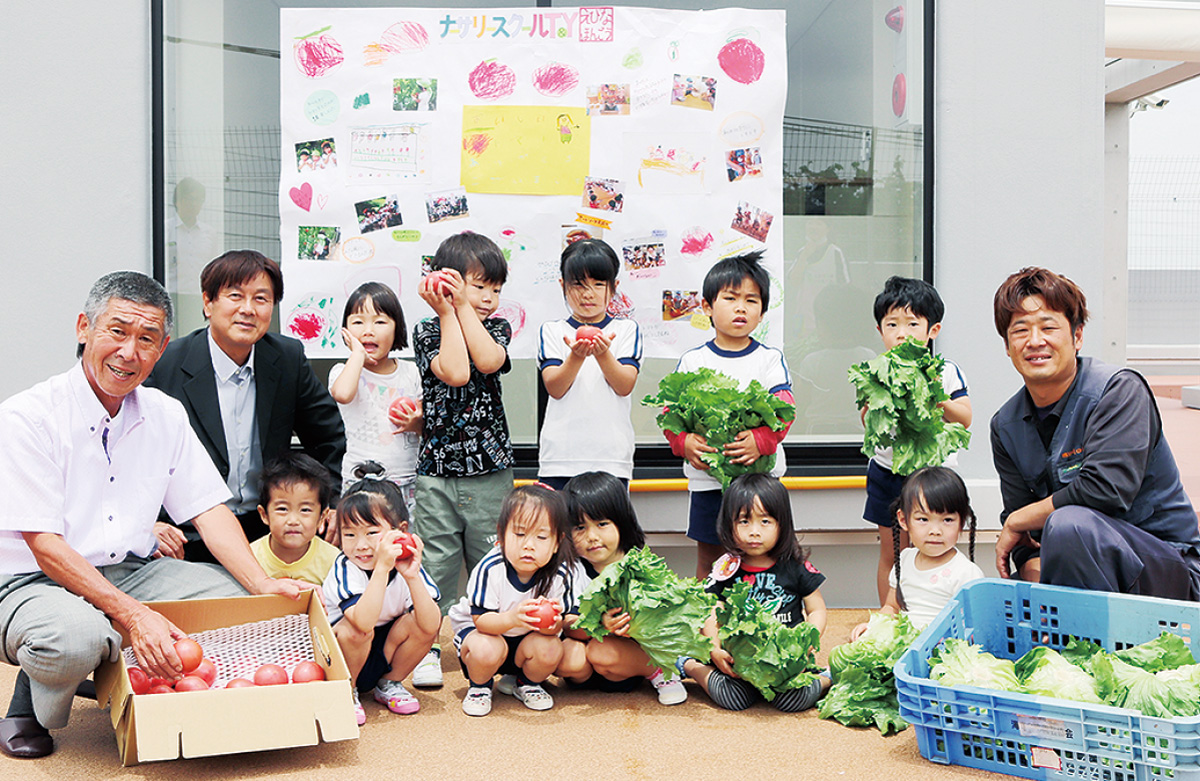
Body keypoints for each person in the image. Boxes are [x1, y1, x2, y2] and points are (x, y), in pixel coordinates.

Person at [0, 272, 306, 759]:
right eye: (117, 331)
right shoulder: (28, 416)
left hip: (132, 570)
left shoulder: (165, 413)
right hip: (34, 580)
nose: (129, 352)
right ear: (84, 328)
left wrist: (261, 582)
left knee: (235, 604)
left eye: (146, 339)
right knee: (74, 640)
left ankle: (113, 667)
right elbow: (45, 546)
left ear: (162, 349)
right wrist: (135, 615)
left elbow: (208, 509)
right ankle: (32, 703)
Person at [990, 267, 1200, 598]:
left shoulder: (1118, 391)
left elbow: (1104, 490)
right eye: (1020, 330)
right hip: (1079, 568)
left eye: (1048, 327)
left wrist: (1019, 519)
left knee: (1069, 526)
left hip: (1167, 570)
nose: (1035, 341)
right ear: (1007, 345)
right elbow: (1023, 533)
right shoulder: (1005, 426)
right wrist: (1032, 570)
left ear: (1077, 336)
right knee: (1005, 595)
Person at [146, 249, 346, 564]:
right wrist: (149, 521)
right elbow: (133, 451)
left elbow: (328, 437)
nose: (248, 309)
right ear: (208, 302)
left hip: (269, 531)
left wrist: (329, 503)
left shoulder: (287, 359)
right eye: (235, 296)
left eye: (261, 299)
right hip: (188, 533)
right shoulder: (166, 364)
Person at [411, 232, 514, 683]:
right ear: (448, 282)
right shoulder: (427, 329)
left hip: (490, 472)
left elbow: (486, 361)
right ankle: (427, 648)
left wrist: (463, 308)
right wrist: (447, 312)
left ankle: (498, 649)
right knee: (435, 564)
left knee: (494, 563)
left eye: (496, 288)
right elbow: (454, 371)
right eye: (479, 286)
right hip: (437, 471)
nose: (489, 298)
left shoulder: (497, 327)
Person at [667, 251, 794, 578]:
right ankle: (708, 611)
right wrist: (684, 443)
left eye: (751, 301)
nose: (741, 307)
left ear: (762, 313)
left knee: (763, 558)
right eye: (731, 298)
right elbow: (670, 415)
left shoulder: (769, 359)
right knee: (710, 560)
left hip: (760, 483)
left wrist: (761, 440)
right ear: (707, 306)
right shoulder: (693, 361)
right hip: (708, 484)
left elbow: (785, 410)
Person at [676, 474, 830, 711]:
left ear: (782, 524)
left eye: (765, 521)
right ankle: (690, 665)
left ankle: (828, 677)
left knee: (793, 701)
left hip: (786, 663)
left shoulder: (795, 565)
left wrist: (807, 641)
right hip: (738, 663)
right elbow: (711, 609)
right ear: (728, 524)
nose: (754, 531)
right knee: (733, 699)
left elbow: (816, 609)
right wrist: (715, 649)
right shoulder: (726, 567)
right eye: (744, 521)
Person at [862, 277, 972, 606]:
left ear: (932, 330)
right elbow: (868, 422)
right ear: (880, 330)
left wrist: (937, 398)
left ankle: (936, 613)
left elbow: (965, 418)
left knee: (937, 548)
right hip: (888, 473)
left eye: (912, 324)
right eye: (892, 324)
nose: (902, 333)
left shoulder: (946, 371)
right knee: (893, 552)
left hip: (935, 477)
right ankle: (890, 616)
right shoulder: (875, 371)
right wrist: (881, 404)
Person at [555, 471, 688, 705]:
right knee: (565, 655)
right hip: (586, 669)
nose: (592, 536)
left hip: (624, 661)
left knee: (601, 651)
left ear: (621, 522)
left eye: (602, 524)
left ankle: (661, 673)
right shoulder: (571, 571)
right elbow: (569, 625)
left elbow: (666, 622)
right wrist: (599, 624)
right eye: (580, 527)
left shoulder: (639, 566)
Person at [448, 485, 577, 716]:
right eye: (519, 534)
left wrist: (552, 622)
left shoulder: (560, 575)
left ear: (557, 542)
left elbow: (555, 630)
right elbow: (481, 621)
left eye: (541, 537)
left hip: (525, 642)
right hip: (487, 634)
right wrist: (513, 618)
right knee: (485, 648)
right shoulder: (491, 568)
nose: (529, 545)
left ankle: (526, 683)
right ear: (501, 535)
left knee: (551, 647)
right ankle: (479, 686)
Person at [322, 474, 440, 725]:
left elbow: (431, 625)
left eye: (372, 532)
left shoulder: (407, 565)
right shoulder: (345, 568)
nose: (361, 545)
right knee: (356, 630)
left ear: (400, 532)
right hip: (344, 655)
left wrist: (412, 576)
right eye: (349, 535)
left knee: (420, 621)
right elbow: (363, 622)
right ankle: (347, 689)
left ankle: (389, 684)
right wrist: (382, 569)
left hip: (383, 651)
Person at [538, 240, 641, 488]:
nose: (588, 293)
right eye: (578, 284)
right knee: (558, 514)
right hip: (560, 457)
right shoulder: (552, 330)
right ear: (562, 285)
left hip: (612, 456)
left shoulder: (626, 329)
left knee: (608, 515)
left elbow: (624, 385)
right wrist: (576, 356)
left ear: (614, 287)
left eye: (598, 284)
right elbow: (555, 388)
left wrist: (603, 354)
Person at [851, 467, 983, 639]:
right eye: (923, 519)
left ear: (962, 522)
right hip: (905, 643)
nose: (935, 531)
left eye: (947, 520)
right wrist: (873, 626)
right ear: (903, 520)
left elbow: (977, 625)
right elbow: (891, 607)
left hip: (944, 648)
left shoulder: (966, 572)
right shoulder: (905, 560)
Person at [328, 282, 422, 509]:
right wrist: (358, 354)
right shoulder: (343, 371)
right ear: (345, 330)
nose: (368, 330)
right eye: (358, 322)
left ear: (397, 328)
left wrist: (416, 423)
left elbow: (426, 422)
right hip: (358, 480)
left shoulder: (411, 372)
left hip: (406, 479)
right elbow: (343, 394)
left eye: (379, 322)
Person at [250, 453, 340, 586]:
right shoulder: (250, 558)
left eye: (305, 510)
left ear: (322, 517)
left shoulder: (334, 561)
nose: (293, 521)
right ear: (264, 514)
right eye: (282, 509)